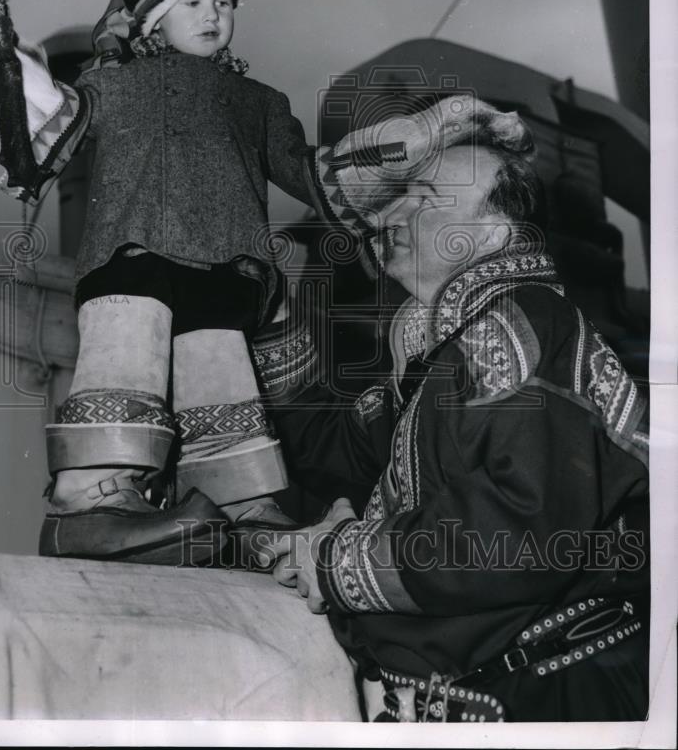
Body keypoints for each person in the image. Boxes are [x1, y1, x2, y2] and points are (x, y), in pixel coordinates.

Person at [0, 0, 524, 565]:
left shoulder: (260, 105)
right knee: (125, 362)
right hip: (133, 266)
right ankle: (87, 504)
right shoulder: (111, 89)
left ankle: (243, 514)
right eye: (192, 0)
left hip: (230, 273)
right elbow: (44, 128)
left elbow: (324, 178)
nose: (212, 14)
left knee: (223, 385)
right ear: (150, 16)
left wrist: (437, 126)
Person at [251, 115, 649, 723]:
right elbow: (335, 452)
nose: (389, 218)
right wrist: (276, 321)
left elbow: (519, 533)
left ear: (494, 232)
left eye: (425, 200)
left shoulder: (520, 326)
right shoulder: (437, 350)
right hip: (487, 693)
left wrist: (339, 562)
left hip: (551, 700)